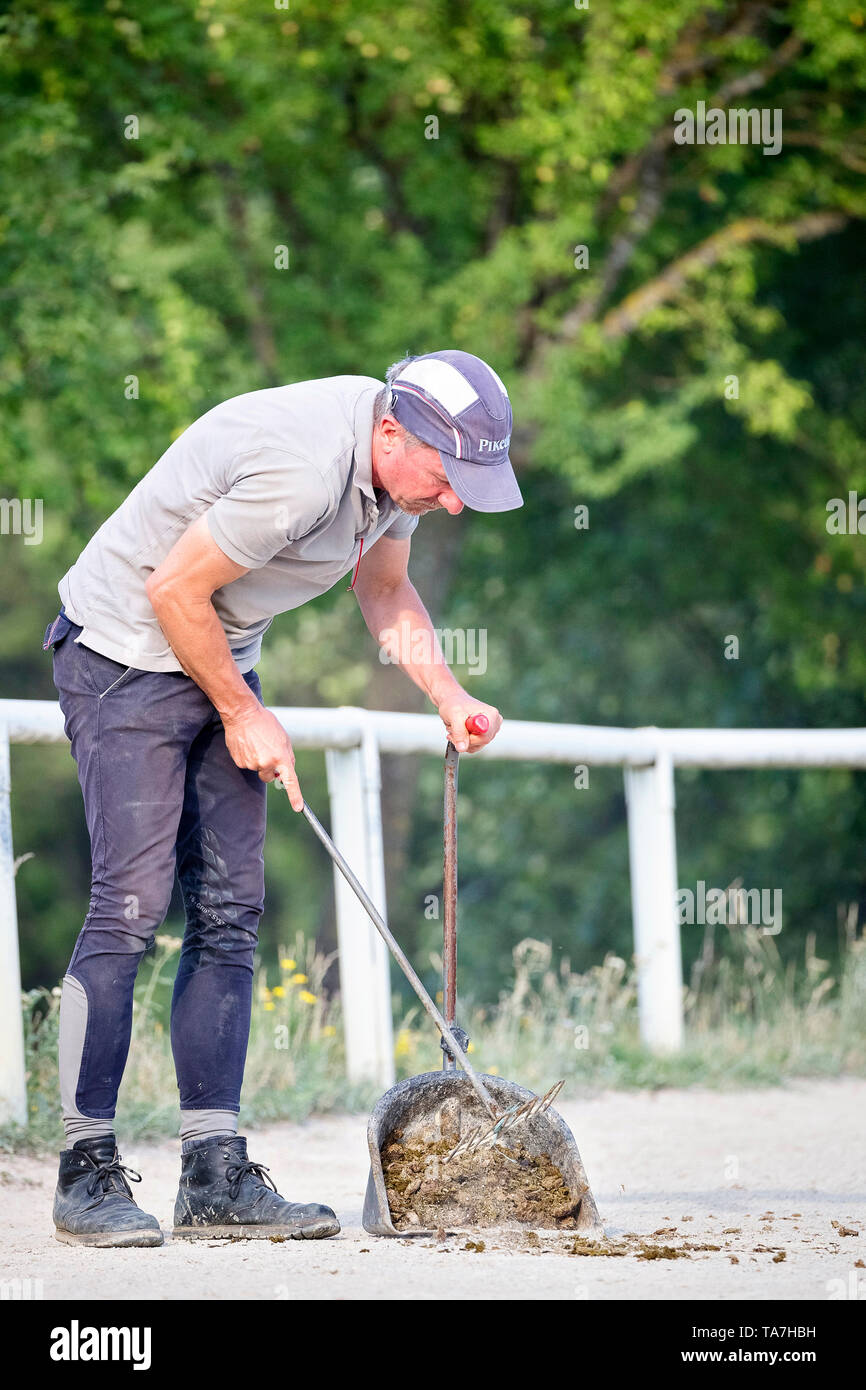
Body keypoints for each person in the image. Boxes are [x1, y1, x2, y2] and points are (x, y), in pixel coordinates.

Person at [44, 349, 523, 1247]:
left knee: (232, 907)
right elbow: (173, 589)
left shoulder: (397, 481)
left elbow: (383, 589)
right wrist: (241, 711)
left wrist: (449, 695)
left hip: (216, 645)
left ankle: (214, 1174)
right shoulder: (304, 470)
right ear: (393, 433)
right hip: (123, 653)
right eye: (449, 479)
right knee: (130, 905)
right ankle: (83, 1171)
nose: (453, 500)